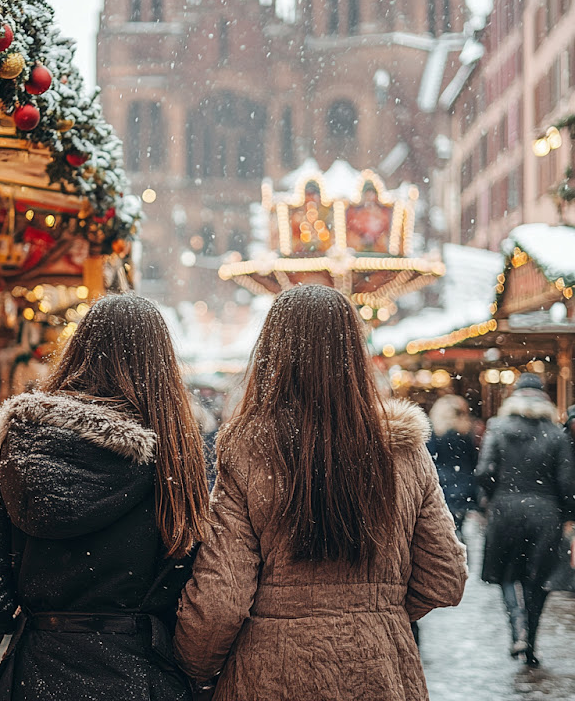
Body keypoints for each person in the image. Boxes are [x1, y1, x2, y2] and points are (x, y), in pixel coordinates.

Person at [174, 285, 467, 701]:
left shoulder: (248, 450)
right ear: (355, 355)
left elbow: (222, 598)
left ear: (272, 355)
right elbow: (444, 577)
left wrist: (194, 668)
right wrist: (376, 611)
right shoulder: (403, 449)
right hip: (380, 669)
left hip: (271, 671)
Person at [0, 294, 210, 701]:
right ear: (161, 367)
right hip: (137, 675)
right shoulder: (175, 454)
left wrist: (29, 619)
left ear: (78, 352)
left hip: (37, 674)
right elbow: (194, 587)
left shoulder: (23, 445)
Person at [476, 373, 575, 667]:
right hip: (546, 513)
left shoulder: (497, 427)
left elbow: (484, 472)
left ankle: (516, 627)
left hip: (505, 510)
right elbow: (567, 483)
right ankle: (530, 641)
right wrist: (567, 514)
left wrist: (493, 496)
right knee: (538, 580)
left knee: (507, 575)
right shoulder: (555, 434)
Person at [428, 394, 479, 537]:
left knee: (442, 532)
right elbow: (473, 461)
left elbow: (430, 460)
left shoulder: (434, 434)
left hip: (441, 485)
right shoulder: (465, 433)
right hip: (464, 487)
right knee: (459, 531)